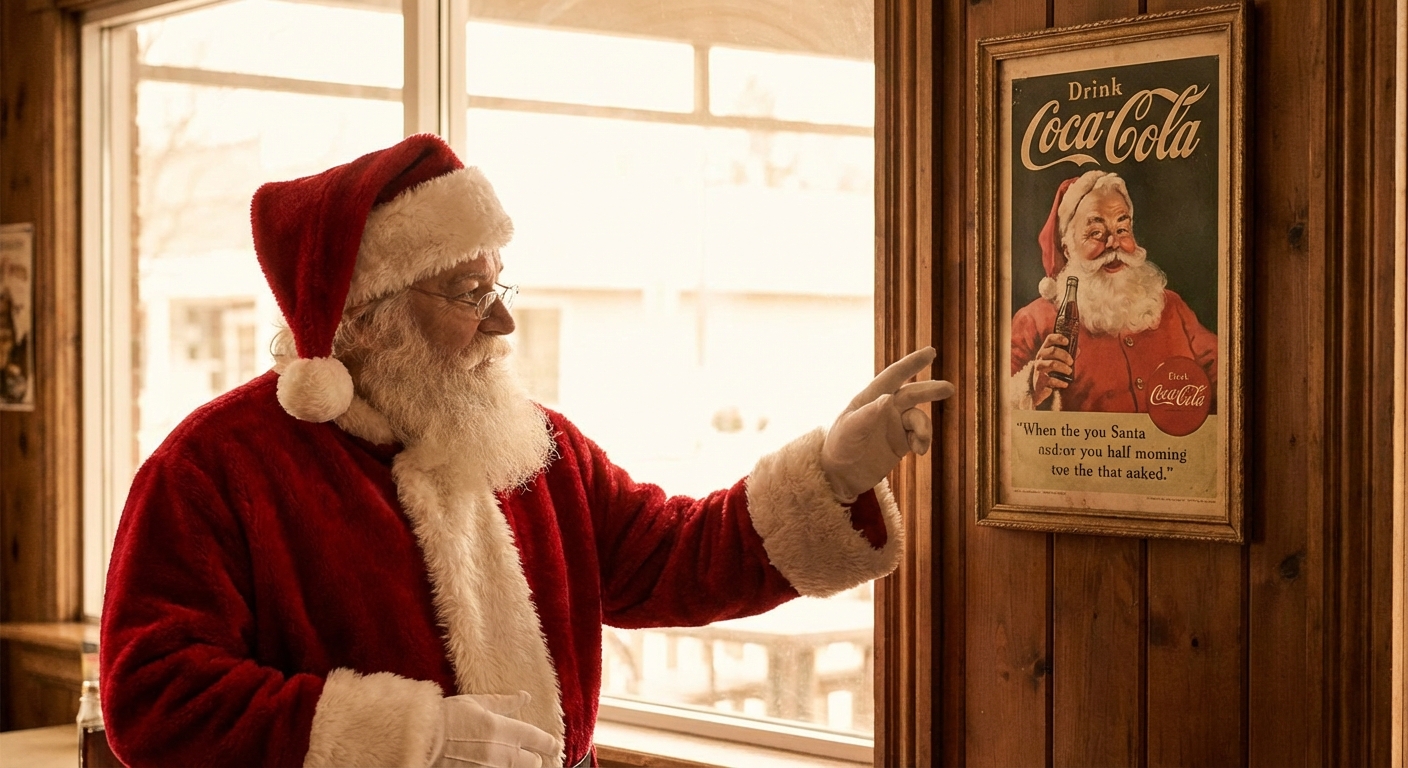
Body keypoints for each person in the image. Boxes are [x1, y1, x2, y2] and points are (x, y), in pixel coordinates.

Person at [99, 133, 954, 768]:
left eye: (497, 285)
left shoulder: (537, 448)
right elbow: (155, 695)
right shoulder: (215, 468)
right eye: (470, 293)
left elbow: (672, 557)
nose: (503, 321)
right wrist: (412, 743)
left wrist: (834, 471)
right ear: (365, 316)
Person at [1009, 170, 1218, 412]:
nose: (1114, 244)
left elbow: (1227, 376)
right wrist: (1032, 388)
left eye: (1122, 229)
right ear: (1067, 249)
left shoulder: (1171, 306)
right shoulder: (1033, 320)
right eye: (1096, 233)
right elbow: (994, 408)